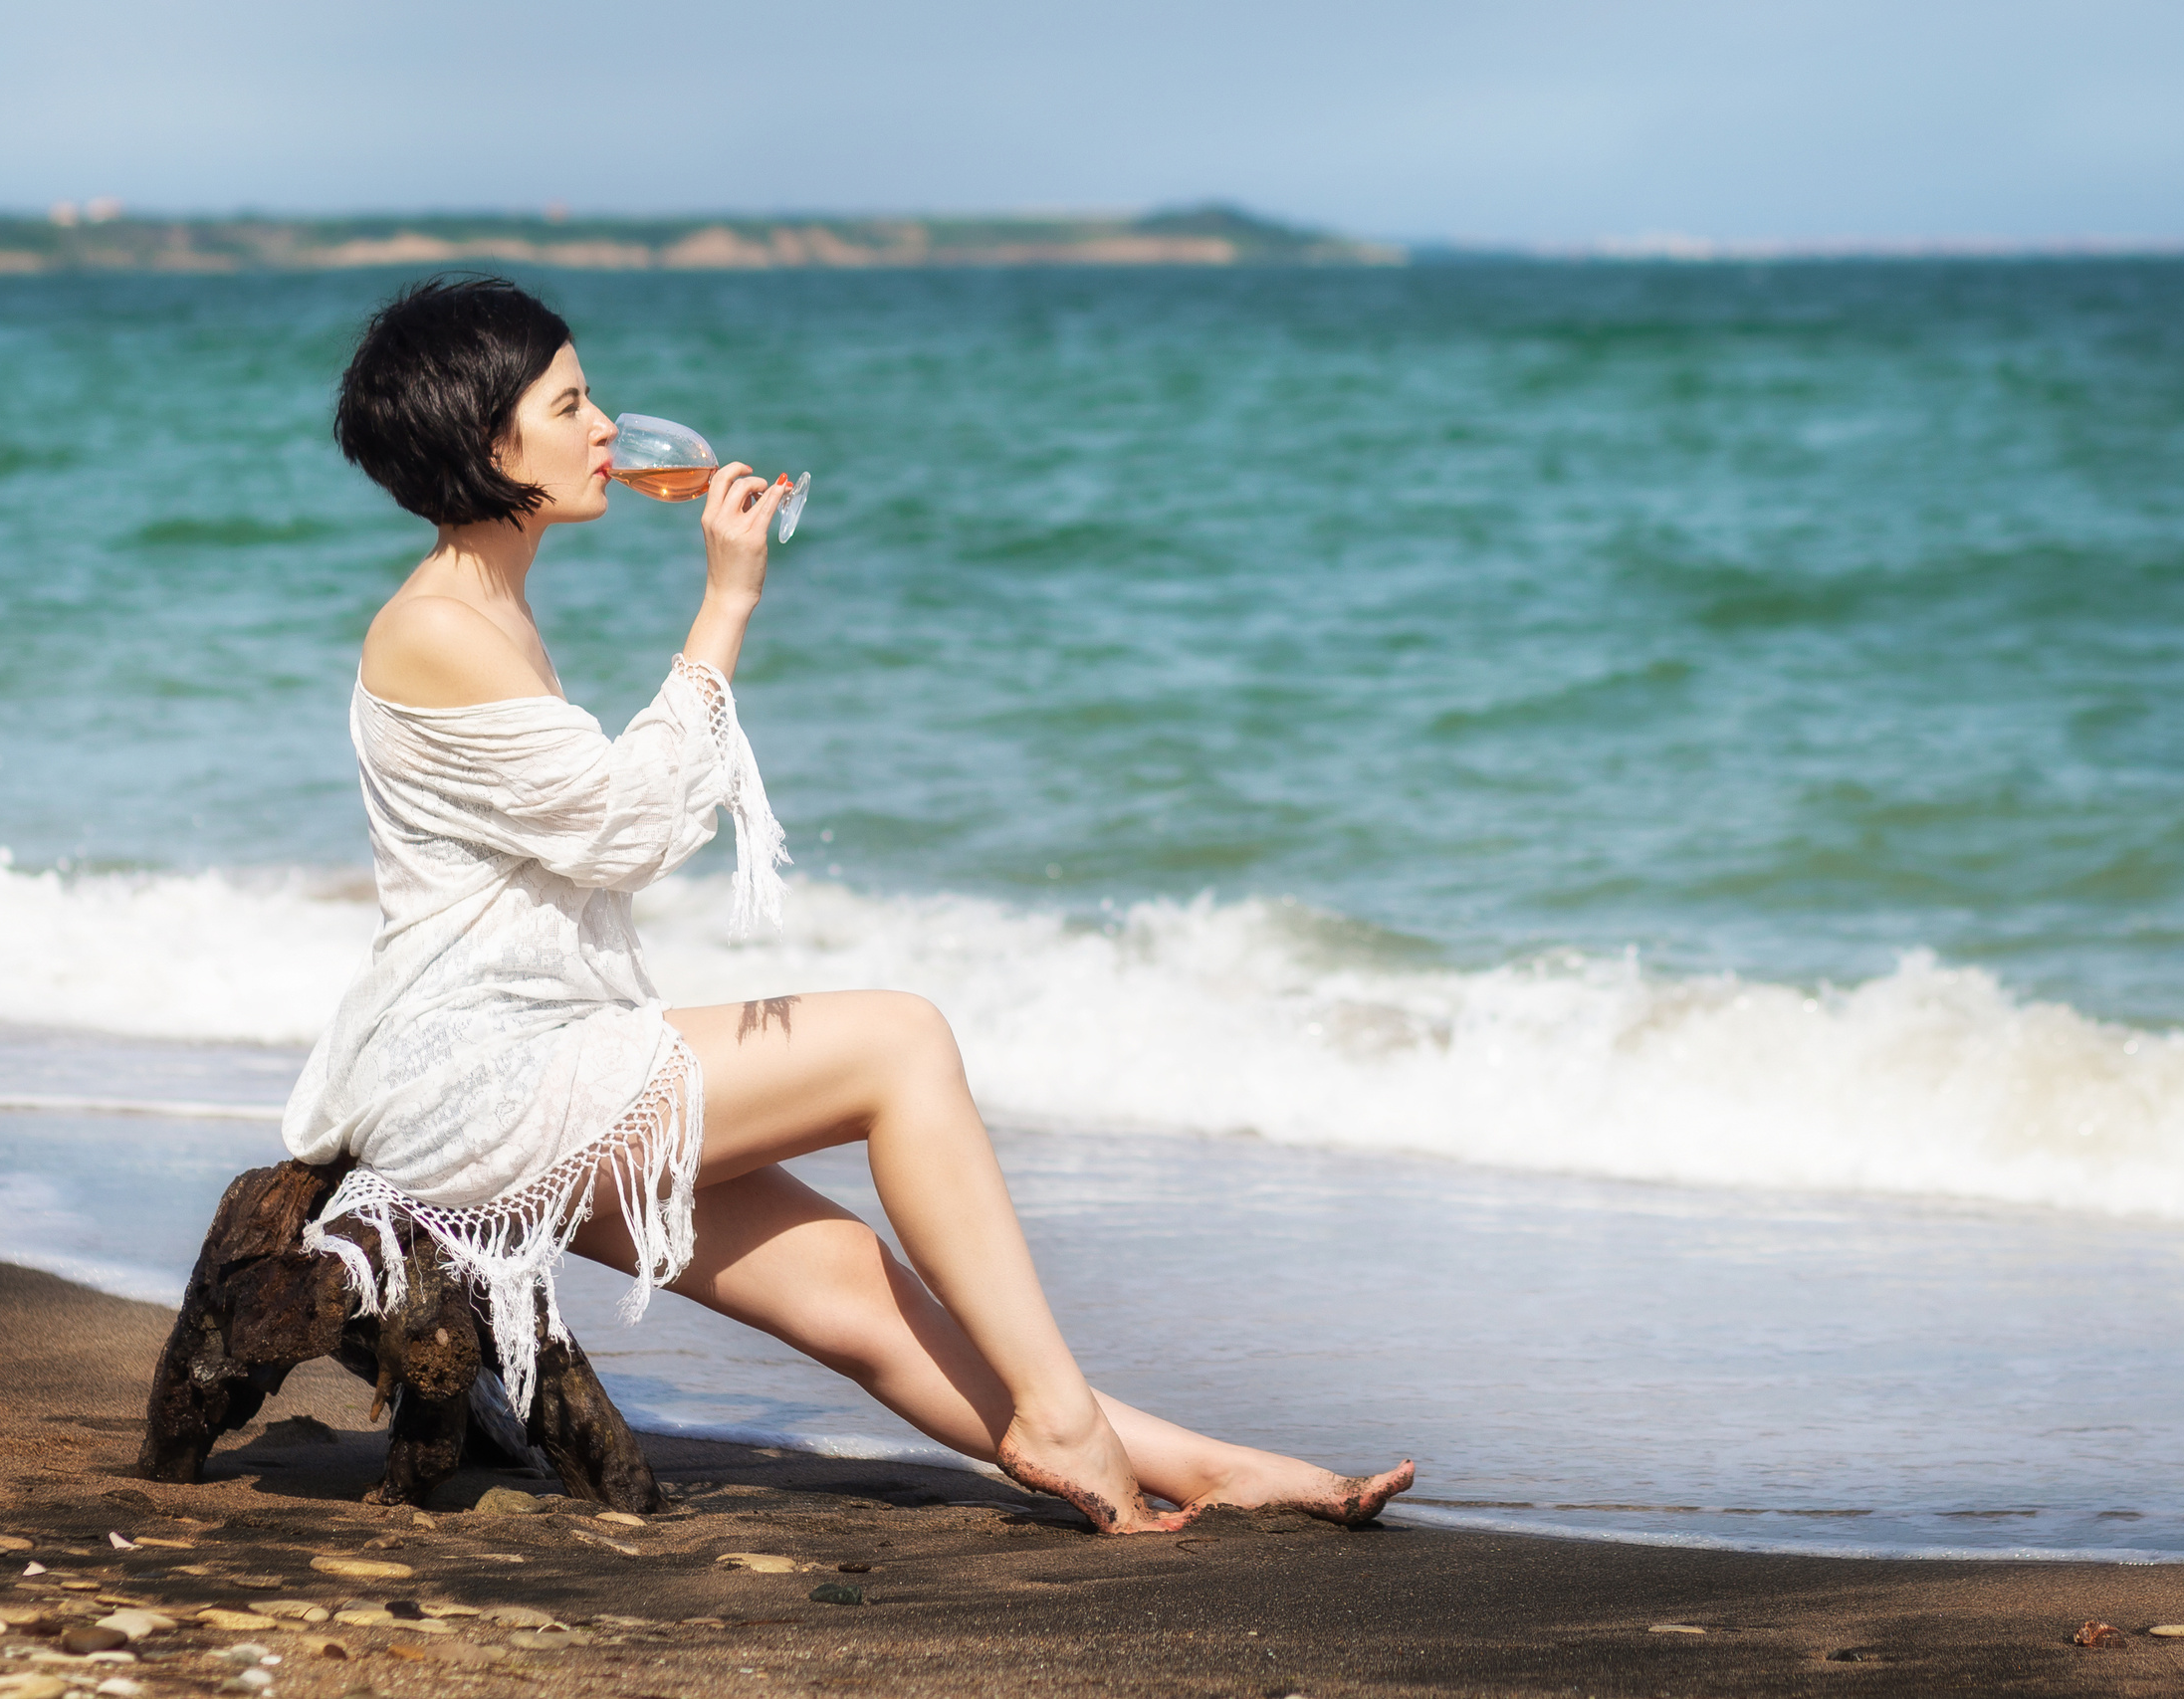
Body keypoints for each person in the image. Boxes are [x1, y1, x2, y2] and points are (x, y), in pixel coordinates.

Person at [282, 275, 1413, 1534]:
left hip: (536, 1063)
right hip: (481, 1095)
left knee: (860, 1298)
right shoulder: (438, 627)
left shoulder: (490, 607)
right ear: (490, 443)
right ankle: (1058, 1418)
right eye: (572, 402)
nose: (608, 425)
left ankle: (1197, 1465)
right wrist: (727, 601)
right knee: (901, 1038)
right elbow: (628, 830)